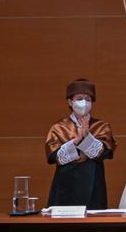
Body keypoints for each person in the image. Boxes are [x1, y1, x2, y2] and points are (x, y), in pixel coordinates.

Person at [45, 79, 116, 209]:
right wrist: (77, 140)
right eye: (79, 98)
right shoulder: (58, 127)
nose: (84, 102)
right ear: (70, 102)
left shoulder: (101, 126)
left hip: (94, 185)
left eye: (88, 99)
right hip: (64, 186)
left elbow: (104, 153)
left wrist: (87, 136)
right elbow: (55, 157)